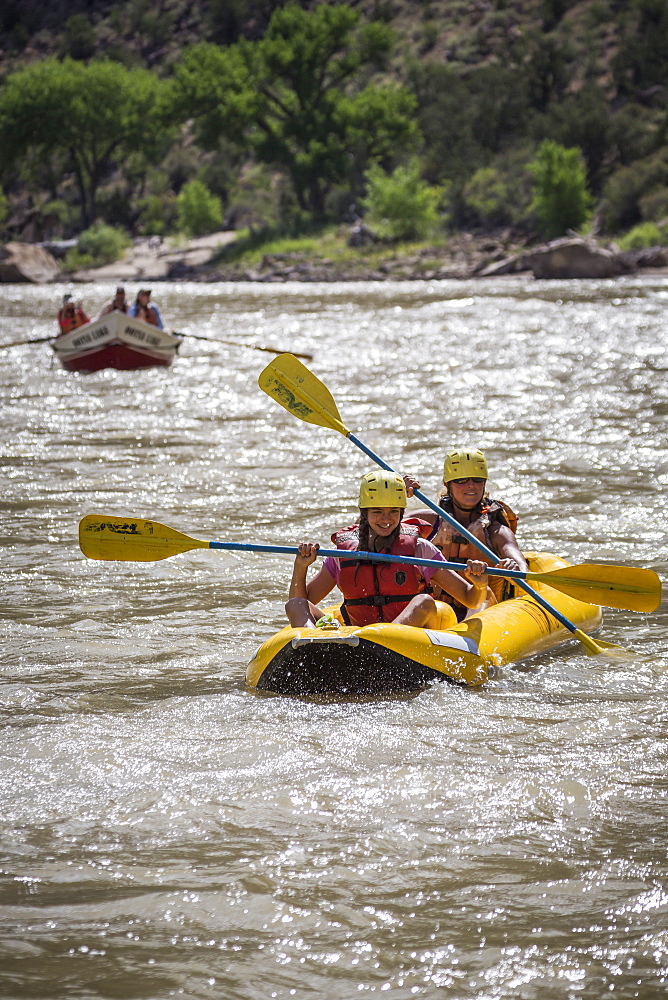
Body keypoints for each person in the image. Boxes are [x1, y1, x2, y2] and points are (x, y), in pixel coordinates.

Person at [285, 470, 489, 630]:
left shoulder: (420, 550)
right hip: (360, 635)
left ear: (402, 513)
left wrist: (479, 585)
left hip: (407, 637)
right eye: (377, 512)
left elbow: (469, 597)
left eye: (393, 512)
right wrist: (301, 566)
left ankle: (381, 643)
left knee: (424, 602)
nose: (386, 519)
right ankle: (311, 648)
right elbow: (303, 602)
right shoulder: (343, 555)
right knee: (294, 605)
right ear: (364, 514)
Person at [404, 449, 527, 620]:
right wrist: (396, 495)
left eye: (477, 479)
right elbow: (373, 527)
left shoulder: (496, 531)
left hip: (484, 608)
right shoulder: (429, 521)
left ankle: (468, 641)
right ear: (448, 485)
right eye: (461, 480)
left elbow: (520, 565)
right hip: (438, 608)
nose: (471, 485)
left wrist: (515, 570)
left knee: (482, 595)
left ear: (484, 483)